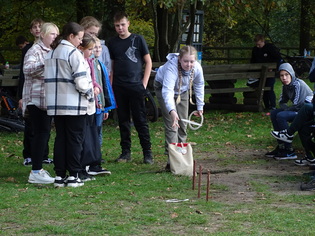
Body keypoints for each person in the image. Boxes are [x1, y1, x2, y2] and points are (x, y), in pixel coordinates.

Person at [45, 22, 95, 188]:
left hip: (56, 104)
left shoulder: (52, 53)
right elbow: (81, 82)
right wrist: (90, 92)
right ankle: (73, 175)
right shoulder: (73, 53)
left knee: (61, 139)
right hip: (74, 105)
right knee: (75, 140)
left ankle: (60, 176)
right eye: (79, 38)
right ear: (71, 36)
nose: (80, 42)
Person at [108, 11, 153, 164]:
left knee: (140, 119)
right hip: (119, 86)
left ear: (128, 24)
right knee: (123, 120)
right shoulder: (112, 43)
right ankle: (125, 152)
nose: (120, 28)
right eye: (117, 26)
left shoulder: (138, 39)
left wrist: (144, 83)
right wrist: (111, 86)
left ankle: (147, 152)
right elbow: (112, 66)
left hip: (136, 85)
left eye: (122, 24)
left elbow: (148, 62)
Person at [154, 45, 205, 170]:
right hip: (163, 88)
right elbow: (168, 91)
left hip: (182, 90)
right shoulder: (171, 68)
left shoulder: (197, 68)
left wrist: (200, 106)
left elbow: (199, 85)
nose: (188, 64)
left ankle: (181, 156)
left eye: (191, 61)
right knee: (173, 124)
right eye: (186, 61)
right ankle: (171, 161)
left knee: (182, 124)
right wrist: (172, 111)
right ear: (179, 60)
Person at [23, 22, 59, 184]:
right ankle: (36, 170)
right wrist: (47, 62)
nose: (55, 37)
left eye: (57, 35)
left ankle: (38, 168)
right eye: (52, 34)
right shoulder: (35, 50)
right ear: (43, 35)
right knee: (41, 133)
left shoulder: (52, 51)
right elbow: (27, 69)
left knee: (44, 134)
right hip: (36, 99)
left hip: (48, 100)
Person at [16, 18, 52, 166]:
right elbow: (24, 73)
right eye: (35, 27)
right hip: (32, 93)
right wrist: (21, 96)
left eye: (40, 27)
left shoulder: (50, 49)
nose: (37, 29)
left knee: (45, 128)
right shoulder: (30, 49)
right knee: (32, 126)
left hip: (46, 94)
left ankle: (43, 155)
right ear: (31, 31)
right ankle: (29, 154)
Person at [78, 34, 111, 177]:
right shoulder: (86, 62)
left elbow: (100, 82)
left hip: (97, 103)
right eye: (92, 48)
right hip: (89, 103)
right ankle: (87, 163)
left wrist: (104, 105)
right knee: (89, 134)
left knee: (96, 132)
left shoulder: (98, 63)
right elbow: (88, 81)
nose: (95, 50)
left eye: (97, 47)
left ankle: (95, 161)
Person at [266, 63, 313, 160]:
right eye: (281, 75)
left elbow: (297, 105)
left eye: (286, 75)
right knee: (274, 113)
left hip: (305, 112)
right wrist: (285, 108)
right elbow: (282, 102)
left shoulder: (298, 84)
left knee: (281, 116)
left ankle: (289, 149)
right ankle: (281, 146)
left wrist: (286, 109)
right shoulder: (285, 86)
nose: (284, 78)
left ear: (291, 74)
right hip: (297, 110)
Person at [250, 34, 283, 112]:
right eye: (256, 44)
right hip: (260, 73)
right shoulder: (255, 50)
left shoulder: (270, 48)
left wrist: (273, 68)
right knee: (263, 89)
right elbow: (253, 61)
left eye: (259, 44)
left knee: (270, 88)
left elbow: (278, 59)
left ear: (262, 41)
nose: (258, 46)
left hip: (270, 72)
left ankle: (273, 105)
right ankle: (267, 106)